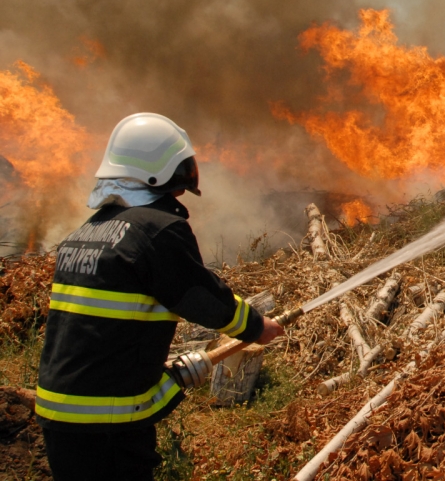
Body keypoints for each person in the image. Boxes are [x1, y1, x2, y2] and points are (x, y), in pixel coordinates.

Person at [35, 113, 284, 480]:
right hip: (107, 420)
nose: (181, 190)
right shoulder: (156, 229)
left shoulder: (85, 233)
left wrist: (175, 375)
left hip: (60, 414)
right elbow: (201, 297)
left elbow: (104, 337)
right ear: (158, 171)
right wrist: (256, 327)